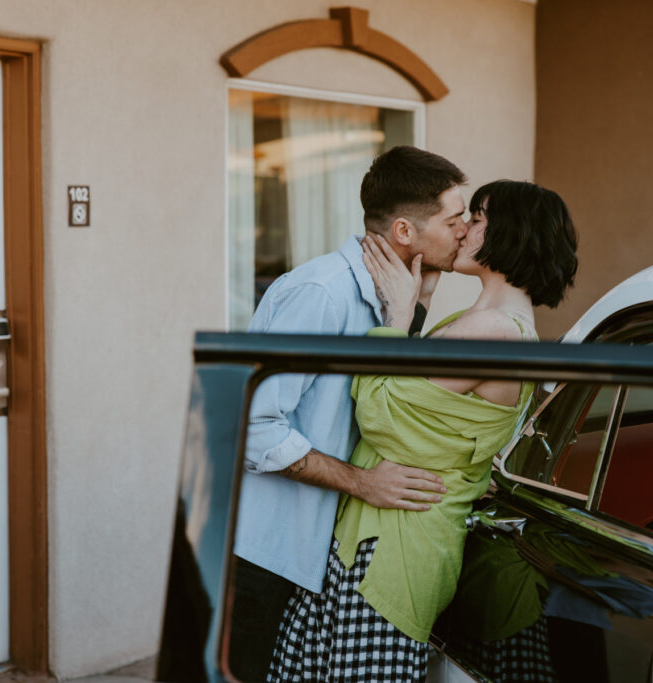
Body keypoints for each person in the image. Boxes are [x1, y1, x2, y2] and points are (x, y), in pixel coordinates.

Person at [267, 180, 579, 683]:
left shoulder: (492, 329)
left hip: (397, 545)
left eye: (476, 219)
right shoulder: (481, 320)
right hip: (392, 528)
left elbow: (380, 411)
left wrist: (397, 315)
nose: (462, 230)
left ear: (512, 235)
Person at [229, 146, 469, 682]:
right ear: (405, 231)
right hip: (265, 557)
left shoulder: (391, 296)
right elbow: (254, 427)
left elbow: (386, 393)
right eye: (454, 220)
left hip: (314, 555)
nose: (465, 230)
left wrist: (420, 298)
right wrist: (363, 483)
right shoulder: (323, 293)